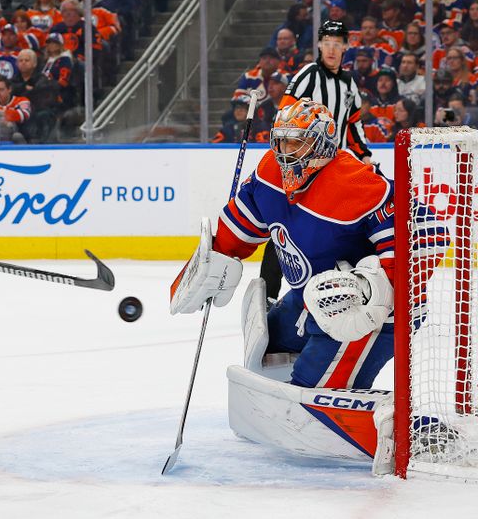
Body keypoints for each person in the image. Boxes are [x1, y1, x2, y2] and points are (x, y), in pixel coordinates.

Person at [172, 99, 403, 391]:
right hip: (307, 298)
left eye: (295, 143)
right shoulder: (270, 172)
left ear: (321, 144)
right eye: (280, 142)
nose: (284, 152)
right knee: (270, 346)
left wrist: (376, 289)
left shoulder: (356, 184)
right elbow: (239, 227)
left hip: (363, 312)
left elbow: (426, 232)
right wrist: (211, 262)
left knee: (311, 390)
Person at [259, 19, 372, 302]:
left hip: (335, 171)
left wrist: (365, 156)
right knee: (285, 227)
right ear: (319, 45)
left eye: (338, 44)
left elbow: (353, 124)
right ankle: (267, 295)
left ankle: (331, 294)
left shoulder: (348, 84)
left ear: (345, 47)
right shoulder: (309, 74)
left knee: (333, 230)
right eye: (327, 43)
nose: (332, 49)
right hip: (304, 167)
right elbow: (285, 115)